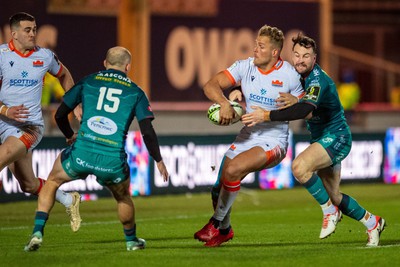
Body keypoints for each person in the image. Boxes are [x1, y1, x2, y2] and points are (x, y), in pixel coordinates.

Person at [242, 33, 385, 247]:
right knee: (334, 196)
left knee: (299, 167)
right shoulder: (295, 76)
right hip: (322, 137)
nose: (300, 60)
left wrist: (267, 115)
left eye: (306, 56)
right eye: (297, 55)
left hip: (336, 136)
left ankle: (329, 213)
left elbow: (306, 109)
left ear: (314, 59)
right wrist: (237, 91)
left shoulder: (318, 79)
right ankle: (372, 222)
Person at [24, 46, 169, 252]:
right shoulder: (136, 92)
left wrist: (69, 136)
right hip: (112, 160)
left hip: (82, 153)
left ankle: (37, 232)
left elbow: (60, 115)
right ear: (128, 67)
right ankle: (131, 241)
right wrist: (158, 159)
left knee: (52, 181)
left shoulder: (88, 81)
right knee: (122, 197)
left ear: (104, 63)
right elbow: (147, 131)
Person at [194, 25, 304, 247]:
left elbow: (306, 107)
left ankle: (215, 223)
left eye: (260, 46)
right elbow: (211, 85)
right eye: (255, 44)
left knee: (233, 171)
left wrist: (297, 101)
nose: (255, 49)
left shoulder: (289, 75)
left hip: (274, 140)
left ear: (274, 52)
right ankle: (225, 230)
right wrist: (225, 102)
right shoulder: (245, 67)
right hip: (248, 136)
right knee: (218, 186)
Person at [0, 12, 82, 232]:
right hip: (4, 124)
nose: (33, 33)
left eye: (35, 29)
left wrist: (74, 104)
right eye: (28, 30)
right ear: (14, 33)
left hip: (30, 127)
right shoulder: (1, 55)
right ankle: (68, 199)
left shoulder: (45, 56)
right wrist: (5, 110)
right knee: (28, 185)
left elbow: (64, 75)